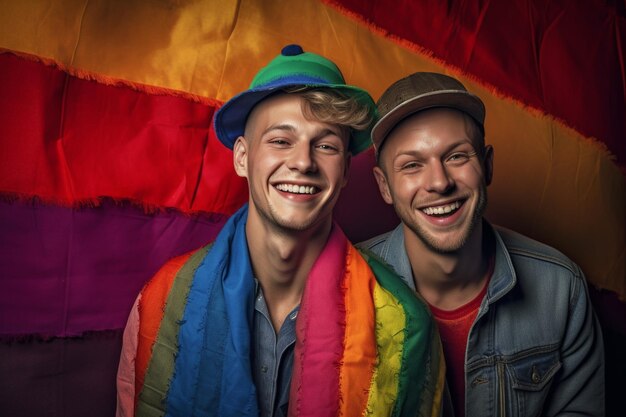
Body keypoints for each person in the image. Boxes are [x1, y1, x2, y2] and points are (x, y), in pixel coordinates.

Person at [116, 46, 445, 417]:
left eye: (325, 145)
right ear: (242, 157)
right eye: (280, 140)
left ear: (346, 172)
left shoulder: (402, 321)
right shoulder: (161, 300)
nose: (303, 162)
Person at [359, 72, 605, 417]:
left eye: (457, 157)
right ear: (384, 187)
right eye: (412, 165)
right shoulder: (345, 286)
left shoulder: (562, 289)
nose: (440, 182)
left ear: (487, 165)